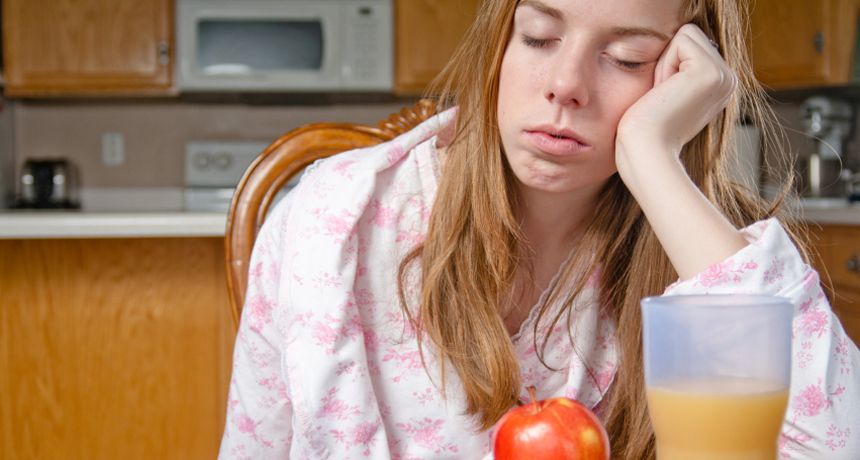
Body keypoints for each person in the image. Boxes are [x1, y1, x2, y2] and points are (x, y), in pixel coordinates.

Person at [218, 0, 860, 458]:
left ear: (684, 82)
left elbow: (838, 439)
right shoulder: (336, 222)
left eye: (626, 58)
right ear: (499, 40)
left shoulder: (703, 252)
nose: (565, 85)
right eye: (539, 37)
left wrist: (651, 158)